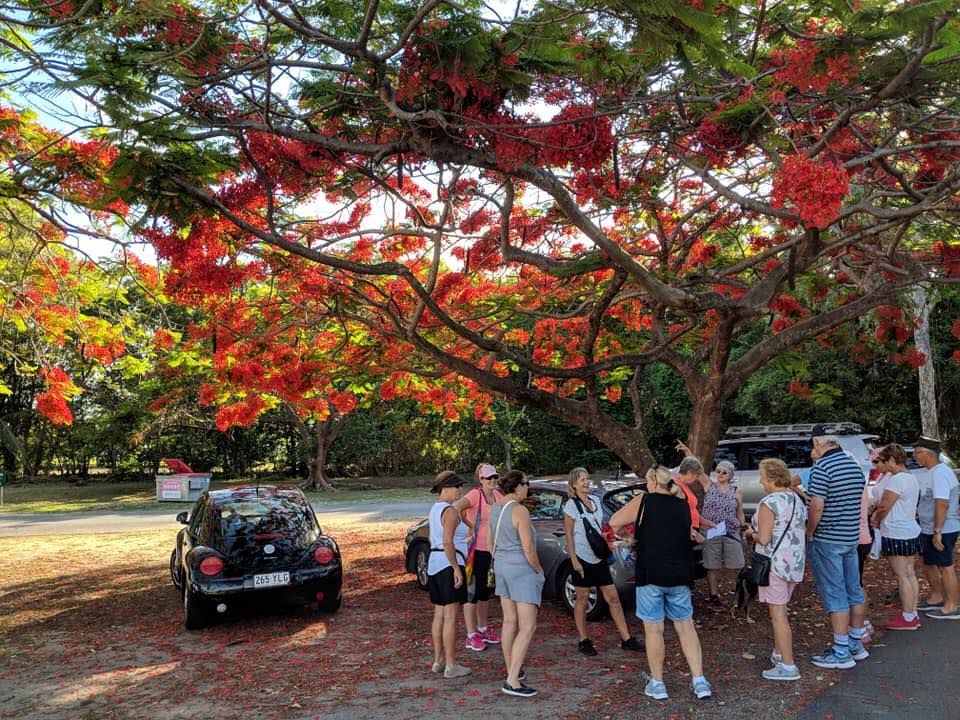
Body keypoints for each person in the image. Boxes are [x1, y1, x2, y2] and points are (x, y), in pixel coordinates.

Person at [610, 465, 712, 701]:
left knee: (654, 629)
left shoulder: (644, 502)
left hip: (651, 573)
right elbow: (688, 534)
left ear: (654, 481)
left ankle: (658, 683)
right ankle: (699, 680)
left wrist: (630, 537)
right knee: (686, 627)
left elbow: (615, 522)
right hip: (679, 573)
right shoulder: (683, 505)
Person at [806, 425, 869, 669]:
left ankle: (841, 651)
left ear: (817, 443)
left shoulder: (822, 468)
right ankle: (856, 643)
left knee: (835, 593)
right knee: (854, 589)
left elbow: (816, 506)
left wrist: (810, 530)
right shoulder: (854, 466)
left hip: (828, 538)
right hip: (850, 537)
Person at [562, 467, 643, 656]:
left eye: (587, 478)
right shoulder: (571, 506)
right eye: (582, 480)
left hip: (599, 557)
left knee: (613, 598)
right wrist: (574, 560)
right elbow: (568, 535)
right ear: (574, 484)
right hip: (582, 558)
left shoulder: (596, 501)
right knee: (582, 599)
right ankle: (584, 640)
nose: (586, 482)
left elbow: (606, 527)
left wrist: (624, 536)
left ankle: (626, 638)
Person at [744, 459, 807, 681]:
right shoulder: (797, 499)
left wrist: (750, 534)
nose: (760, 481)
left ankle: (788, 666)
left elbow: (763, 537)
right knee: (783, 609)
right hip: (795, 562)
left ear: (771, 479)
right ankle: (779, 652)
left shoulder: (769, 503)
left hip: (774, 564)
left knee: (778, 616)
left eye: (762, 477)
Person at [490, 469, 544, 697]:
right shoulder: (519, 510)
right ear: (519, 486)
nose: (527, 488)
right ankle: (512, 680)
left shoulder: (495, 508)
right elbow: (528, 548)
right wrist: (538, 569)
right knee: (527, 626)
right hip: (520, 570)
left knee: (509, 621)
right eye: (527, 484)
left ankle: (513, 667)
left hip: (501, 565)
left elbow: (488, 540)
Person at [869, 443, 921, 630]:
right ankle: (912, 612)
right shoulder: (911, 478)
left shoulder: (897, 480)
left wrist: (876, 519)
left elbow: (885, 505)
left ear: (892, 460)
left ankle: (907, 617)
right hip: (910, 529)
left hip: (895, 530)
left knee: (902, 576)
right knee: (910, 573)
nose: (882, 465)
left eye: (883, 461)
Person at [426, 471, 472, 679]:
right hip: (447, 564)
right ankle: (451, 665)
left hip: (434, 564)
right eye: (456, 487)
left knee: (439, 614)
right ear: (445, 488)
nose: (459, 490)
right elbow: (447, 541)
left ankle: (439, 660)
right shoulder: (450, 511)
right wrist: (455, 567)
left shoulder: (435, 509)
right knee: (450, 616)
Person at [454, 463, 503, 652]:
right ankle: (471, 634)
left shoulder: (497, 496)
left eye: (494, 477)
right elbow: (457, 507)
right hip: (475, 551)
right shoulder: (475, 495)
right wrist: (470, 524)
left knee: (484, 592)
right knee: (471, 592)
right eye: (488, 478)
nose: (492, 481)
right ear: (480, 480)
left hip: (491, 551)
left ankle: (483, 628)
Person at [913, 436, 960, 620]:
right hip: (928, 527)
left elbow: (942, 504)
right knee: (929, 563)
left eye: (917, 452)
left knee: (946, 565)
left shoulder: (940, 473)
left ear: (927, 454)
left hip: (943, 529)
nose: (915, 456)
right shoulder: (932, 472)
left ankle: (952, 606)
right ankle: (936, 596)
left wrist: (938, 531)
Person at [701, 460, 746, 608]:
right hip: (711, 531)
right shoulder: (709, 486)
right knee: (711, 565)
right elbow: (697, 469)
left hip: (731, 530)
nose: (720, 474)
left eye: (724, 472)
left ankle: (738, 593)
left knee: (737, 564)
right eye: (718, 471)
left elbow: (739, 512)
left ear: (730, 475)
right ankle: (713, 595)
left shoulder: (736, 491)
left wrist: (744, 527)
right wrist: (687, 452)